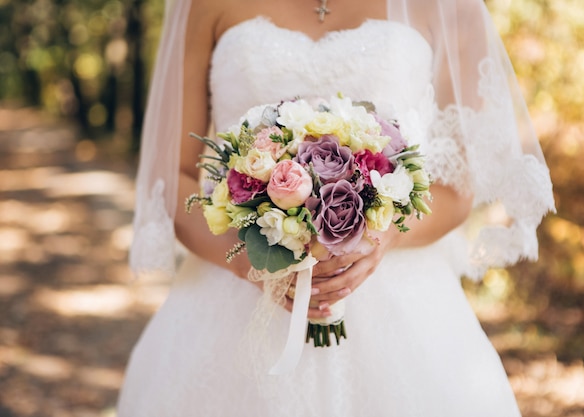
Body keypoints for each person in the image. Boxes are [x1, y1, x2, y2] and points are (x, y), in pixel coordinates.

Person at [118, 0, 555, 415]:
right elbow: (170, 176)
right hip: (231, 299)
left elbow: (458, 183)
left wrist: (385, 235)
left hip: (402, 304)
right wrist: (250, 261)